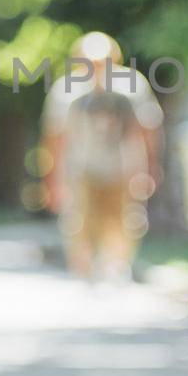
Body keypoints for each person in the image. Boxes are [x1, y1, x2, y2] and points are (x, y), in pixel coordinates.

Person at [40, 32, 163, 283]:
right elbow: (54, 139)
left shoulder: (132, 86)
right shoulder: (66, 91)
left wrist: (151, 167)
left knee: (124, 225)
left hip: (123, 170)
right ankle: (85, 276)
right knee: (79, 225)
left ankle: (115, 271)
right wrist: (51, 181)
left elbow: (148, 129)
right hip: (81, 171)